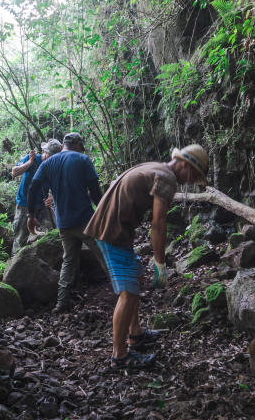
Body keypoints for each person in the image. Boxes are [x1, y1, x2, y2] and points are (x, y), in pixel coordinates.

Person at [84, 144, 208, 369]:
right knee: (128, 292)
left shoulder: (157, 167)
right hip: (112, 232)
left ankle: (135, 334)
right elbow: (158, 223)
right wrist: (160, 262)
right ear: (184, 164)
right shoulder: (167, 178)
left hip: (113, 227)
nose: (191, 181)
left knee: (136, 279)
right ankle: (120, 356)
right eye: (194, 175)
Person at [26, 132, 107, 313]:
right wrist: (104, 214)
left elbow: (33, 188)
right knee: (105, 253)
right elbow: (95, 192)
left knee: (68, 261)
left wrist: (31, 215)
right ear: (77, 144)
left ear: (63, 145)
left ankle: (62, 302)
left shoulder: (47, 164)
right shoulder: (83, 160)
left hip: (64, 224)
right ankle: (122, 292)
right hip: (86, 221)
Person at [10, 138, 62, 254]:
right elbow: (14, 172)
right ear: (45, 152)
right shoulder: (33, 159)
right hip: (24, 204)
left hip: (42, 205)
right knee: (20, 237)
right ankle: (14, 264)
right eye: (52, 155)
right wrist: (29, 162)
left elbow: (58, 184)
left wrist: (52, 197)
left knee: (51, 234)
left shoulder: (56, 165)